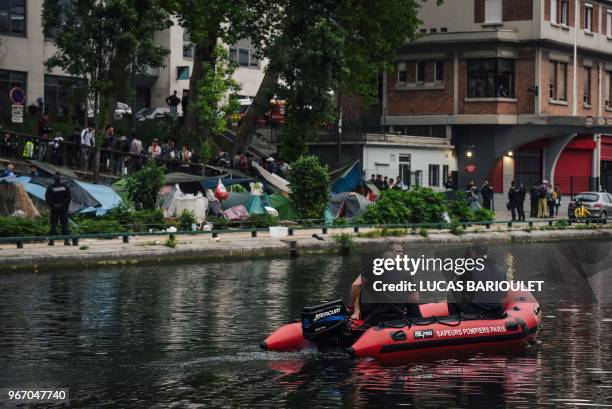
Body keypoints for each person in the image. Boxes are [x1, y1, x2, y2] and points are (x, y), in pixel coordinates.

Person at [348, 244, 421, 326]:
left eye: (402, 252)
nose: (402, 254)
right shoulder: (404, 272)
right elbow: (414, 298)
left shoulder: (373, 269)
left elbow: (356, 285)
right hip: (381, 314)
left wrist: (350, 308)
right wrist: (356, 309)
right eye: (398, 252)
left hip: (378, 316)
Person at [448, 241, 506, 318]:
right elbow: (504, 294)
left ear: (472, 252)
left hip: (477, 311)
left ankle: (456, 320)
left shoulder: (468, 267)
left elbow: (454, 284)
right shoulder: (500, 269)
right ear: (486, 252)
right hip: (497, 310)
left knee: (451, 292)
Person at [45, 172, 72, 246]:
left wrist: (53, 205)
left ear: (54, 179)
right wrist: (63, 204)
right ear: (60, 179)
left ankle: (51, 241)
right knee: (64, 224)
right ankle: (66, 241)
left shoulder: (50, 187)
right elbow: (68, 197)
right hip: (63, 208)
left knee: (53, 224)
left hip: (54, 208)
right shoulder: (65, 187)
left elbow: (47, 198)